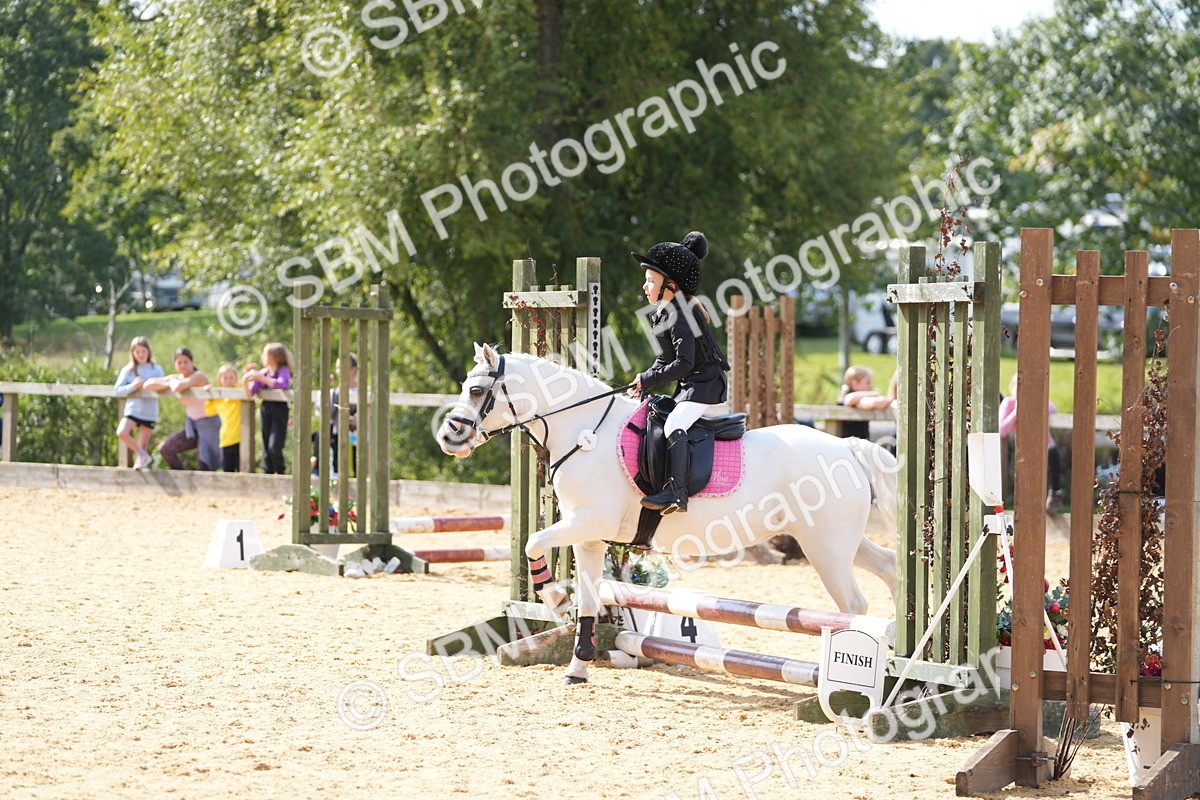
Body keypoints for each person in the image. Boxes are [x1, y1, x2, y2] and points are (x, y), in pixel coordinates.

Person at [628, 230, 730, 515]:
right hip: (691, 383)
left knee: (674, 424)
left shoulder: (681, 313)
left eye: (651, 281)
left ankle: (677, 493)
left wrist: (649, 378)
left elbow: (684, 363)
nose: (645, 286)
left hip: (705, 383)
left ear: (670, 285)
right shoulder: (665, 312)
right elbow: (666, 359)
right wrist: (643, 380)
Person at [144, 347, 222, 471]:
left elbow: (179, 387)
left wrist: (171, 383)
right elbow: (148, 384)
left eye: (185, 362)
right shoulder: (176, 378)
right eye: (179, 362)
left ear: (192, 362)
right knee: (166, 449)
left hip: (209, 426)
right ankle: (183, 478)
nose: (183, 365)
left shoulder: (199, 376)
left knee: (204, 464)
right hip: (192, 426)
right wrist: (169, 383)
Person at [999, 373, 1063, 512]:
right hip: (1026, 448)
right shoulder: (1009, 403)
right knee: (1028, 476)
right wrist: (1017, 410)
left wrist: (1037, 399)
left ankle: (1055, 494)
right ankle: (1029, 505)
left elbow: (1053, 409)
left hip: (1046, 446)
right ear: (1012, 387)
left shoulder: (1036, 401)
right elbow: (1002, 430)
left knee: (1053, 455)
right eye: (1019, 387)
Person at [113, 336, 166, 469]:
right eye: (137, 352)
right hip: (133, 410)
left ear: (148, 351)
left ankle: (141, 472)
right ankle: (143, 455)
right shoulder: (128, 370)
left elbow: (164, 386)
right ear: (132, 353)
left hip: (149, 412)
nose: (141, 355)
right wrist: (133, 386)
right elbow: (117, 390)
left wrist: (150, 386)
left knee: (141, 456)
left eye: (143, 351)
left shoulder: (156, 369)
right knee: (122, 432)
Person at [243, 342, 292, 475]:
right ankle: (268, 473)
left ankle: (280, 472)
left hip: (279, 409)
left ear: (273, 357)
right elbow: (250, 393)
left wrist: (261, 378)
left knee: (274, 446)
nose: (262, 357)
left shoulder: (283, 370)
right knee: (265, 446)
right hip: (266, 408)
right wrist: (246, 379)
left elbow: (282, 384)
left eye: (265, 354)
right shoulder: (263, 373)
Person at [310, 353, 357, 478]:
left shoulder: (364, 391)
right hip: (337, 437)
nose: (339, 371)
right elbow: (323, 413)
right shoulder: (334, 392)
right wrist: (326, 388)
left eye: (343, 367)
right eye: (337, 367)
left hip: (357, 439)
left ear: (353, 369)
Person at [204, 364, 243, 472]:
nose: (228, 380)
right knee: (227, 470)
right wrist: (209, 394)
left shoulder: (240, 392)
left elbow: (248, 387)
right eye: (225, 378)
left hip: (241, 439)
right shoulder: (218, 398)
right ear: (220, 380)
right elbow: (208, 411)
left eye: (231, 377)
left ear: (236, 379)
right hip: (226, 439)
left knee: (243, 470)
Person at [838, 365, 893, 439]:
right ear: (855, 383)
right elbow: (850, 399)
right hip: (850, 440)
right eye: (868, 383)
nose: (871, 386)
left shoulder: (858, 399)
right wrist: (875, 394)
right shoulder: (848, 395)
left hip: (858, 440)